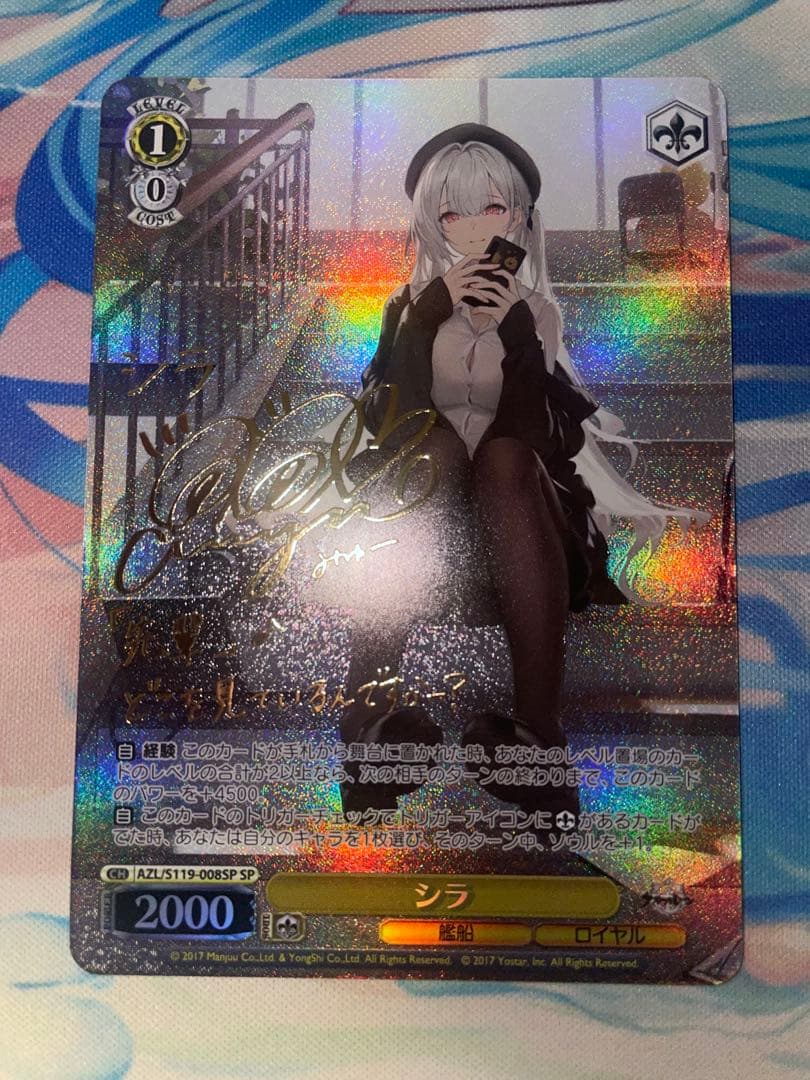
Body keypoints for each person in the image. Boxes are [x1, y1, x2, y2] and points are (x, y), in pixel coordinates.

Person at [334, 124, 706, 817]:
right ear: (432, 222)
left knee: (504, 457)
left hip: (518, 514)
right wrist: (426, 316)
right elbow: (393, 425)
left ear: (519, 218)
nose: (475, 228)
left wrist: (515, 332)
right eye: (452, 213)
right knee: (434, 450)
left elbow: (537, 438)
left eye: (493, 209)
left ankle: (537, 734)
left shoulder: (536, 312)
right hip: (427, 515)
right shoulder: (406, 309)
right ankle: (371, 719)